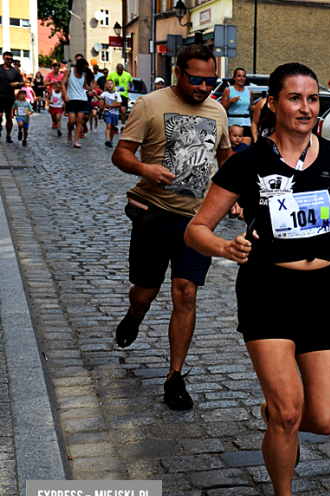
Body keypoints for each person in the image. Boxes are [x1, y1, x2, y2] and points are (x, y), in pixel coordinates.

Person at [184, 62, 330, 496]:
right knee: (290, 413)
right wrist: (224, 247)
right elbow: (197, 229)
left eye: (312, 99)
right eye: (294, 98)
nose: (305, 107)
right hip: (267, 290)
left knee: (324, 420)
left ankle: (276, 411)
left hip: (324, 293)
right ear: (272, 103)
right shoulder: (248, 162)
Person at [111, 44, 232, 410]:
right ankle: (135, 315)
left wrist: (235, 194)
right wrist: (145, 169)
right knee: (145, 293)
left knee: (186, 293)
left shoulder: (217, 111)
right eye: (196, 79)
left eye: (210, 80)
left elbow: (226, 158)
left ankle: (174, 376)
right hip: (155, 213)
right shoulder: (149, 105)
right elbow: (121, 153)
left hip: (198, 219)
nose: (203, 87)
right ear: (179, 72)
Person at [62, 58, 91, 148]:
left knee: (79, 121)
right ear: (79, 66)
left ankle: (76, 141)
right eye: (84, 67)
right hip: (71, 99)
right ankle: (70, 132)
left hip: (82, 99)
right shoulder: (69, 72)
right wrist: (65, 95)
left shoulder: (84, 74)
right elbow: (63, 84)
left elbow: (84, 85)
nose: (85, 69)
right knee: (72, 120)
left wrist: (91, 89)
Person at [221, 68, 253, 147]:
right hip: (232, 123)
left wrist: (252, 108)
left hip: (246, 123)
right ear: (234, 77)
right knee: (232, 151)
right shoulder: (228, 90)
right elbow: (222, 109)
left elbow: (251, 106)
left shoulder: (249, 92)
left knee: (244, 149)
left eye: (243, 76)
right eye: (239, 76)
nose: (241, 78)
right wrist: (230, 101)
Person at [0, 51, 24, 143]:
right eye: (8, 59)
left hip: (10, 97)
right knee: (0, 116)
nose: (10, 61)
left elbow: (22, 82)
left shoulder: (15, 71)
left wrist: (17, 84)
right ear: (3, 58)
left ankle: (8, 135)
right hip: (0, 96)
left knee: (9, 117)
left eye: (11, 59)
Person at [107, 64, 133, 129]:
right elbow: (107, 82)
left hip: (124, 95)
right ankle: (115, 125)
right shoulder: (112, 74)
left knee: (123, 110)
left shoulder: (127, 74)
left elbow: (132, 81)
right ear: (116, 69)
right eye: (119, 70)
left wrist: (130, 87)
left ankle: (123, 125)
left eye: (121, 70)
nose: (120, 72)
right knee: (115, 110)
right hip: (114, 94)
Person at [101, 79, 122, 147]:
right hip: (108, 112)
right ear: (106, 86)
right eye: (108, 84)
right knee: (108, 126)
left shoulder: (117, 94)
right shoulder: (105, 93)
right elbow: (100, 97)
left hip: (115, 113)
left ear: (113, 85)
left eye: (111, 84)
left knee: (113, 127)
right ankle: (107, 140)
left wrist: (110, 105)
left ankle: (111, 141)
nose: (109, 85)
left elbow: (119, 104)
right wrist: (95, 93)